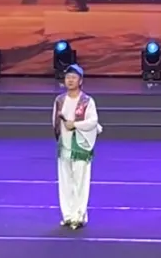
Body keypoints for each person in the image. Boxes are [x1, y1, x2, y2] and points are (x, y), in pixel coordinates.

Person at [53, 64, 102, 229]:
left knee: (80, 182)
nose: (70, 80)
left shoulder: (87, 101)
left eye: (74, 78)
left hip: (80, 147)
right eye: (68, 77)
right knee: (65, 182)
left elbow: (93, 122)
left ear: (80, 81)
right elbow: (55, 122)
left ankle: (79, 215)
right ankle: (67, 215)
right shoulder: (60, 100)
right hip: (64, 147)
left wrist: (75, 124)